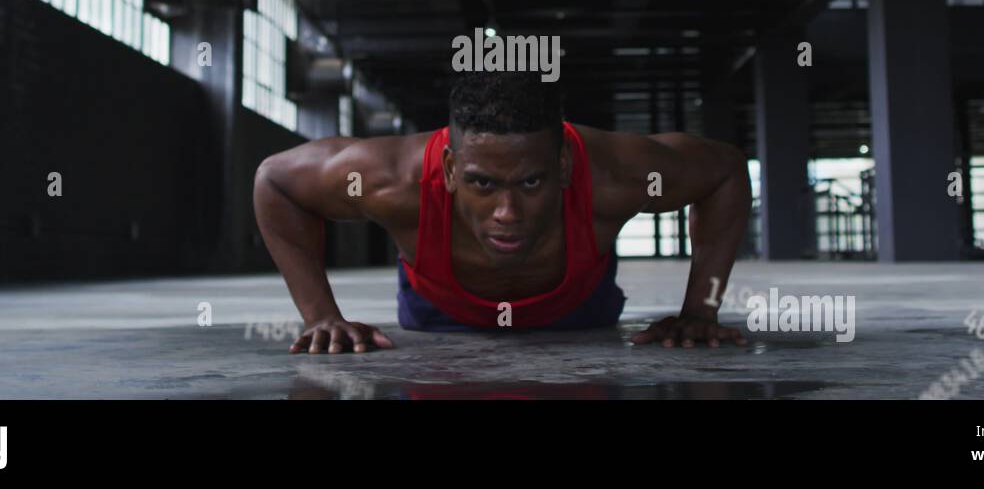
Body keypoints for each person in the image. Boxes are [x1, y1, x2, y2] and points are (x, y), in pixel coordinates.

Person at [253, 70, 751, 353]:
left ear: (562, 164)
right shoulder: (390, 179)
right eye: (482, 183)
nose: (507, 213)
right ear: (449, 169)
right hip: (439, 314)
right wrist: (320, 317)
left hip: (580, 312)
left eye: (530, 182)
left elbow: (725, 171)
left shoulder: (614, 174)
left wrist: (699, 313)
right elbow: (274, 181)